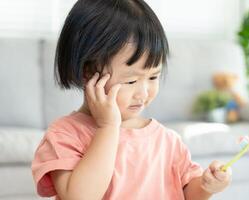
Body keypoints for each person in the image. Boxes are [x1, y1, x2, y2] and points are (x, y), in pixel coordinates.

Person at [31, 0, 232, 199]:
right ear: (88, 73)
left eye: (153, 77)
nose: (143, 93)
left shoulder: (167, 140)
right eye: (131, 81)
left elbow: (187, 194)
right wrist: (108, 127)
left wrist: (206, 186)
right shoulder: (65, 134)